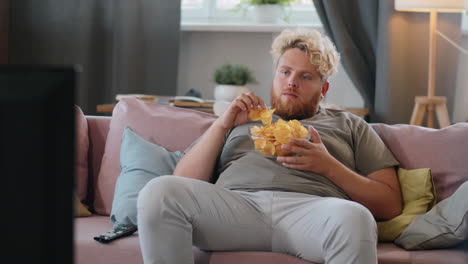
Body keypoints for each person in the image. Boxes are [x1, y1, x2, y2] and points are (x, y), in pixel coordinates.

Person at [137, 27, 402, 264]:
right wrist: (221, 126)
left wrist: (330, 167)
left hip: (313, 212)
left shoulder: (351, 125)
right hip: (235, 208)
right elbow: (184, 181)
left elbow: (390, 204)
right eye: (285, 72)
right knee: (159, 191)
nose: (291, 82)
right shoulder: (239, 118)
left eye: (305, 76)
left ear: (324, 88)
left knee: (356, 218)